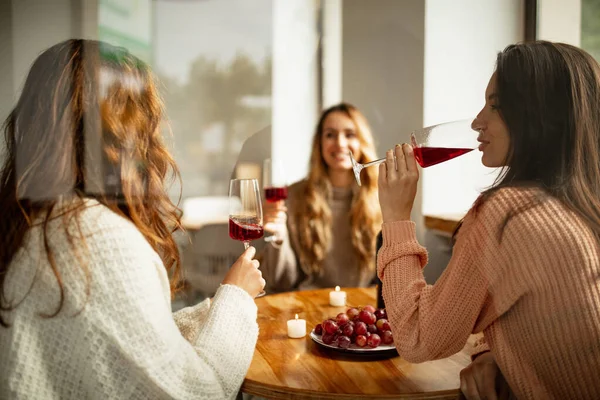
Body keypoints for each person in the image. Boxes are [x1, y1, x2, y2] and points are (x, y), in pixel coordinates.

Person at [0, 39, 265, 400]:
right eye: (147, 121)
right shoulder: (97, 240)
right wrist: (236, 297)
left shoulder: (31, 222)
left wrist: (212, 311)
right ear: (124, 133)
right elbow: (196, 393)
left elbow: (120, 342)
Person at [376, 41, 600, 399]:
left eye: (496, 106)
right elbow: (552, 323)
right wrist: (495, 354)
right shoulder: (582, 206)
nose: (478, 121)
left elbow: (417, 337)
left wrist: (396, 217)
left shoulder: (508, 215)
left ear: (540, 115)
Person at [260, 103, 381, 291]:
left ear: (362, 142)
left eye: (349, 134)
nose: (340, 143)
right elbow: (281, 282)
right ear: (320, 143)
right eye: (330, 135)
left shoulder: (381, 197)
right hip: (307, 306)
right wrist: (278, 237)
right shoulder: (294, 196)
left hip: (360, 309)